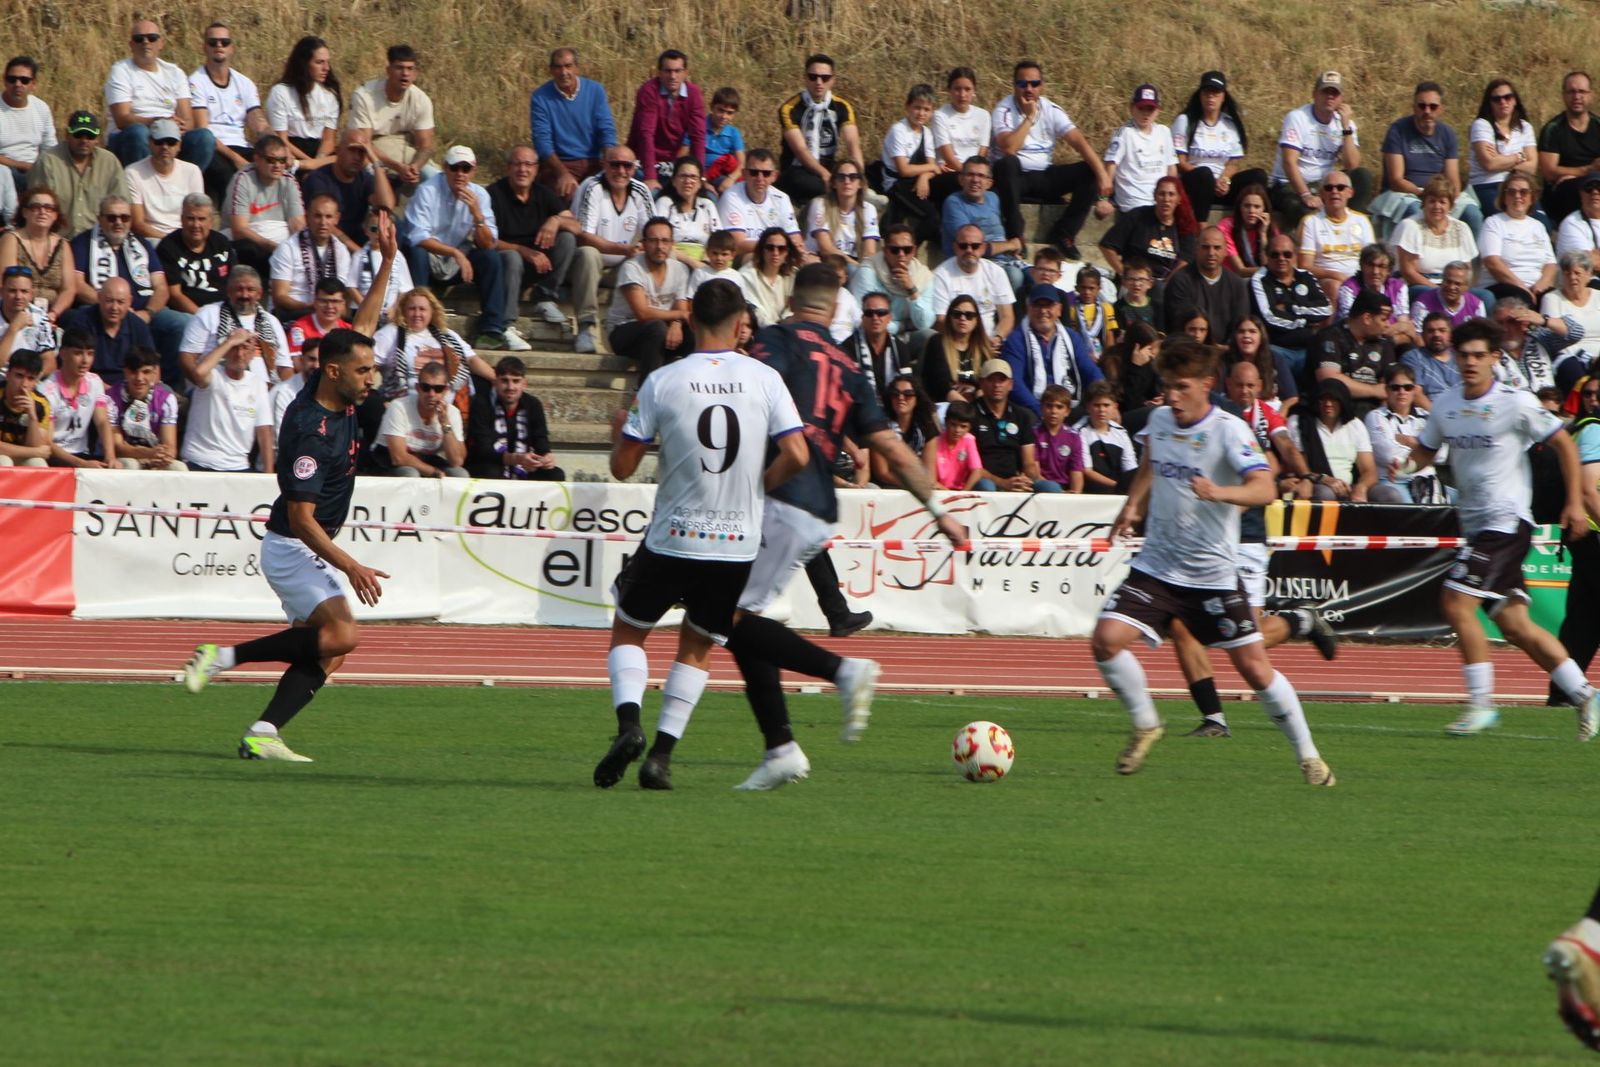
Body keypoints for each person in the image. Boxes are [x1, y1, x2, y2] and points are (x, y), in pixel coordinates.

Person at [724, 264, 963, 789]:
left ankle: (841, 673)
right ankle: (779, 747)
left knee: (726, 618)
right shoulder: (851, 367)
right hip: (816, 508)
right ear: (835, 309)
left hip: (778, 494)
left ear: (792, 297)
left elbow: (740, 399)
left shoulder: (776, 341)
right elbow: (891, 447)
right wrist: (938, 510)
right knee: (737, 622)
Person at [181, 221, 397, 761]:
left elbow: (361, 331)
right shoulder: (310, 434)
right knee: (343, 635)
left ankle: (263, 732)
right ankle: (224, 657)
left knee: (328, 651)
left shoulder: (336, 386)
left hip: (305, 543)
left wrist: (388, 262)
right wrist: (352, 565)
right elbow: (301, 520)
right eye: (363, 373)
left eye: (371, 370)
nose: (371, 379)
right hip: (293, 547)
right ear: (333, 373)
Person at [594, 278, 808, 790]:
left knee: (629, 630)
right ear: (740, 326)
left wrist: (617, 431)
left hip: (673, 536)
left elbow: (623, 468)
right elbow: (798, 454)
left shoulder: (664, 380)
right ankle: (661, 758)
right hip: (734, 544)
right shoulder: (764, 378)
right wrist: (760, 485)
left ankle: (629, 726)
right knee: (697, 646)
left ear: (689, 321)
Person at [1093, 339, 1334, 783]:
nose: (1172, 396)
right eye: (1166, 386)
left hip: (1213, 575)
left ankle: (1309, 756)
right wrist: (1132, 507)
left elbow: (1265, 487)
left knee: (1254, 668)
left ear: (1207, 385)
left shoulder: (1229, 430)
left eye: (1182, 387)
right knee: (1105, 639)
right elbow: (1150, 461)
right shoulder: (1161, 421)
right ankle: (1146, 724)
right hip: (1159, 566)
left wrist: (1219, 492)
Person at [1394, 316, 1600, 738]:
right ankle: (1584, 694)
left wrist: (1575, 502)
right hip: (1475, 526)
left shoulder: (1516, 402)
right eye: (1463, 355)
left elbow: (1562, 442)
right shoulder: (1447, 405)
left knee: (1455, 603)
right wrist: (1405, 464)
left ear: (1492, 358)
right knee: (1516, 626)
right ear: (1454, 357)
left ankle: (1481, 704)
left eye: (1478, 355)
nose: (1470, 362)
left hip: (1506, 524)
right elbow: (1427, 451)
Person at [1176, 356, 1331, 738]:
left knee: (1243, 640)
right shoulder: (1185, 421)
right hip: (1203, 542)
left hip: (1242, 539)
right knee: (1182, 628)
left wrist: (1233, 497)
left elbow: (1266, 477)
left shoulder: (1239, 425)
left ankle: (1300, 620)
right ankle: (1213, 718)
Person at [989, 60, 1110, 259]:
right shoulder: (1004, 110)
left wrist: (1102, 174)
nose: (1029, 89)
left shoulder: (1051, 109)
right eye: (1023, 84)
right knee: (1007, 163)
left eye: (1034, 84)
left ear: (1041, 86)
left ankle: (1064, 233)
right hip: (1014, 178)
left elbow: (1078, 141)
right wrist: (1029, 117)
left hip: (1043, 175)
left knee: (1089, 171)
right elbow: (1009, 147)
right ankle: (1016, 236)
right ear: (1014, 86)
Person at [402, 144, 510, 350]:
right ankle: (416, 320)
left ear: (473, 171)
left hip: (459, 257)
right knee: (416, 252)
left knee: (491, 258)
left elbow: (489, 243)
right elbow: (417, 237)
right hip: (431, 254)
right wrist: (455, 253)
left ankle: (492, 329)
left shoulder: (480, 195)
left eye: (465, 169)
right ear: (445, 168)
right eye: (455, 168)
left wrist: (477, 215)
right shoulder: (428, 191)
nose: (460, 174)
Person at [70, 195, 184, 374]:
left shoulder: (142, 244)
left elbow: (161, 287)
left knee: (182, 324)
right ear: (100, 219)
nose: (118, 222)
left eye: (124, 217)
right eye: (111, 217)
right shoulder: (83, 243)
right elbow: (76, 284)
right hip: (102, 310)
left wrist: (148, 313)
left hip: (144, 311)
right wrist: (113, 305)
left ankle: (168, 384)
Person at [569, 144, 655, 352]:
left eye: (627, 166)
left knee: (654, 252)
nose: (621, 171)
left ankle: (646, 325)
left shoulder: (640, 190)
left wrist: (641, 248)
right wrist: (624, 249)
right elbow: (584, 237)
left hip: (620, 268)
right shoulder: (592, 187)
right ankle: (586, 327)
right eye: (615, 165)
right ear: (604, 165)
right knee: (588, 254)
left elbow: (654, 231)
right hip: (589, 265)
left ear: (635, 168)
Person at [489, 143, 579, 335]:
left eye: (529, 164)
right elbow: (486, 240)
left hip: (541, 264)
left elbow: (576, 226)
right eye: (517, 164)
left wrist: (555, 220)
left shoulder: (543, 193)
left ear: (536, 169)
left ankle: (546, 297)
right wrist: (522, 250)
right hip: (507, 263)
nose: (523, 169)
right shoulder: (493, 194)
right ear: (508, 168)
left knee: (567, 239)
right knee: (511, 257)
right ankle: (508, 324)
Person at [104, 18, 215, 171]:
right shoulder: (121, 71)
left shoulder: (175, 73)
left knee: (204, 137)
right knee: (138, 133)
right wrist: (157, 121)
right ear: (131, 45)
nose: (145, 42)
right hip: (131, 134)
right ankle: (141, 186)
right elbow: (122, 119)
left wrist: (176, 127)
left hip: (169, 133)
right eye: (139, 39)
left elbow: (188, 120)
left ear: (161, 43)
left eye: (152, 38)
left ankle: (185, 187)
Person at [1371, 82, 1480, 236]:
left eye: (1433, 107)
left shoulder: (1447, 133)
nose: (1427, 111)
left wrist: (1447, 199)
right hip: (1405, 194)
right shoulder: (1398, 131)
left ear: (1441, 109)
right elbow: (1396, 180)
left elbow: (1453, 180)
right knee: (1416, 211)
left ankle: (1471, 260)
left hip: (1439, 192)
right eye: (1422, 106)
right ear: (1414, 107)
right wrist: (1423, 195)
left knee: (1473, 214)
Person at [1270, 70, 1369, 224]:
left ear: (1341, 98)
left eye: (1334, 93)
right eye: (1325, 92)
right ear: (1315, 94)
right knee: (1302, 210)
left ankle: (1352, 224)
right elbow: (1289, 162)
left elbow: (1352, 165)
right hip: (1289, 185)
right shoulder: (1297, 118)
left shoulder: (1345, 124)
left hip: (1324, 185)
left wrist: (1346, 128)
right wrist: (1305, 194)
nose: (1330, 96)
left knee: (1362, 176)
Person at [605, 216, 692, 385]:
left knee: (694, 333)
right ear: (643, 244)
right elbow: (642, 313)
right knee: (657, 328)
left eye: (665, 241)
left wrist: (676, 324)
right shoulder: (631, 268)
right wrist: (680, 315)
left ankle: (692, 391)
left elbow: (681, 307)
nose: (660, 246)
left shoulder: (680, 269)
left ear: (672, 244)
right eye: (653, 240)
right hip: (624, 332)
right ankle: (645, 394)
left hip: (660, 332)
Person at [1171, 71, 1269, 222]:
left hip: (1221, 185)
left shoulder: (1229, 124)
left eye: (1215, 93)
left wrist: (1225, 180)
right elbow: (1180, 162)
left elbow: (1233, 162)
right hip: (1196, 182)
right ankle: (1201, 225)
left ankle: (1251, 226)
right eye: (1207, 92)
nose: (1211, 97)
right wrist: (1211, 181)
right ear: (1200, 94)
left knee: (1258, 176)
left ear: (1223, 96)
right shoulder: (1185, 120)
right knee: (1204, 174)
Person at [372, 287, 493, 401]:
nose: (417, 314)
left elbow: (472, 360)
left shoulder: (448, 336)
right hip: (403, 404)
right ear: (403, 311)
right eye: (412, 309)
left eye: (422, 309)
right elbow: (369, 367)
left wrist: (496, 380)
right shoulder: (389, 334)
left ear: (432, 312)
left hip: (446, 407)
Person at [776, 54, 866, 207]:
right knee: (818, 185)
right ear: (805, 78)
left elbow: (853, 144)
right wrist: (825, 175)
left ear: (833, 80)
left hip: (829, 166)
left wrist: (859, 176)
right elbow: (801, 150)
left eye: (825, 78)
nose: (819, 82)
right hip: (798, 169)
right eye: (813, 77)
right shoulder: (789, 108)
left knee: (855, 174)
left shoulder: (842, 106)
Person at [177, 266, 291, 386]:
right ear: (228, 291)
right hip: (217, 389)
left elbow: (284, 367)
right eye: (239, 289)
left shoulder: (272, 321)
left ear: (259, 294)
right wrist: (200, 383)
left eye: (250, 289)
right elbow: (187, 357)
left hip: (265, 393)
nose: (244, 295)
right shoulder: (207, 314)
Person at [188, 23, 263, 202]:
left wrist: (276, 143)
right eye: (213, 42)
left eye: (224, 42)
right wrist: (236, 159)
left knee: (271, 166)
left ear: (232, 48)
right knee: (229, 177)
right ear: (204, 47)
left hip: (241, 145)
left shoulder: (245, 83)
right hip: (214, 148)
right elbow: (202, 130)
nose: (219, 46)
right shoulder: (195, 82)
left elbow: (258, 122)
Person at [1001, 281, 1100, 415]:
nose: (1043, 311)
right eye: (1037, 305)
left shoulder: (1072, 337)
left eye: (1048, 305)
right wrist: (1041, 410)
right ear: (1028, 309)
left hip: (1068, 407)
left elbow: (1090, 371)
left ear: (1059, 309)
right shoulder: (1016, 339)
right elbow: (1015, 383)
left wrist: (1102, 397)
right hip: (1033, 409)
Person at [530, 47, 616, 199]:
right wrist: (563, 173)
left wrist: (610, 157)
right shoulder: (540, 97)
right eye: (558, 67)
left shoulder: (595, 90)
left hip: (594, 160)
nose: (564, 72)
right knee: (567, 193)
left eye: (568, 66)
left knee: (612, 190)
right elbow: (542, 141)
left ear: (577, 68)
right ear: (551, 70)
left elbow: (606, 128)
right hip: (562, 162)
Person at [344, 44, 435, 189]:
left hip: (406, 148)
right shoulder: (364, 95)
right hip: (372, 149)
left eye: (410, 69)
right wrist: (397, 167)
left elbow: (426, 146)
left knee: (434, 177)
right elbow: (364, 144)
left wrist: (415, 167)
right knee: (371, 179)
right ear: (388, 70)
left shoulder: (421, 99)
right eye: (399, 68)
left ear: (416, 73)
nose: (405, 74)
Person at [29, 111, 127, 239]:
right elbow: (35, 209)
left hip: (99, 241)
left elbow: (122, 207)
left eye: (90, 136)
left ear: (98, 139)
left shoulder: (109, 162)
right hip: (57, 240)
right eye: (78, 134)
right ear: (67, 135)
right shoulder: (48, 161)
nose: (84, 140)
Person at [879, 83, 956, 245]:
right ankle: (911, 247)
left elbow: (931, 165)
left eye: (926, 109)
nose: (921, 113)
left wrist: (924, 177)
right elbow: (904, 169)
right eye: (917, 108)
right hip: (897, 184)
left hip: (916, 180)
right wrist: (931, 169)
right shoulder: (898, 130)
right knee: (931, 216)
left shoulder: (926, 133)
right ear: (907, 107)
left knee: (952, 181)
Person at [465, 355, 563, 480]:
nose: (510, 387)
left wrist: (546, 458)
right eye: (504, 381)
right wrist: (515, 459)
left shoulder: (533, 404)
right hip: (487, 464)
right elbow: (481, 449)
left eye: (516, 381)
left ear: (524, 384)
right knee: (491, 471)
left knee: (555, 474)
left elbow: (541, 441)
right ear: (495, 382)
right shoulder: (481, 403)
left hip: (523, 465)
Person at [223, 135, 305, 278]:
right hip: (250, 242)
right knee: (249, 249)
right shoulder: (243, 179)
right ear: (257, 159)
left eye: (282, 160)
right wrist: (272, 247)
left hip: (279, 242)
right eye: (271, 160)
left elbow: (297, 225)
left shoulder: (289, 181)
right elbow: (239, 230)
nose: (278, 165)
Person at [1252, 232, 1332, 374]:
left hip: (1309, 348)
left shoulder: (1306, 276)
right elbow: (1269, 316)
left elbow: (1326, 309)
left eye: (1287, 254)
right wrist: (1305, 323)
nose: (1281, 258)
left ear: (1295, 255)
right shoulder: (1260, 279)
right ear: (1267, 256)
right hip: (1278, 349)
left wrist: (1291, 308)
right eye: (1275, 254)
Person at [970, 358, 1056, 492]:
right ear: (981, 383)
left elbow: (1028, 463)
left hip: (1015, 479)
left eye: (1002, 380)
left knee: (1052, 488)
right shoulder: (971, 413)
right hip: (985, 480)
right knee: (986, 486)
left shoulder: (1022, 416)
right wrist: (1003, 483)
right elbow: (973, 466)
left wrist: (1025, 478)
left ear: (1011, 384)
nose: (997, 385)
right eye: (991, 379)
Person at [1314, 288, 1399, 417]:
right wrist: (1373, 390)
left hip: (1374, 414)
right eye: (1383, 319)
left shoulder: (1383, 342)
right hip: (1337, 411)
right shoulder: (1330, 337)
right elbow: (1329, 379)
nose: (1387, 325)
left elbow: (1387, 385)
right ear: (1367, 318)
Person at [627, 49, 704, 191]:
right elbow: (646, 134)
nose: (673, 76)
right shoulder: (649, 91)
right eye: (668, 71)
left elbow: (698, 136)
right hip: (644, 160)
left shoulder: (694, 94)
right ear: (659, 73)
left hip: (675, 162)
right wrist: (650, 176)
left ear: (685, 73)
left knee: (707, 198)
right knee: (654, 195)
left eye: (677, 71)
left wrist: (700, 177)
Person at [373, 360, 465, 477]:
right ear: (417, 388)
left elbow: (457, 461)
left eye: (438, 389)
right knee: (411, 474)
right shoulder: (399, 407)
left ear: (445, 391)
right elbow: (398, 457)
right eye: (426, 387)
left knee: (459, 474)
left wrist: (445, 424)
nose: (431, 394)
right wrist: (432, 472)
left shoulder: (452, 413)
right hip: (388, 459)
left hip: (427, 458)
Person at [269, 193, 355, 319]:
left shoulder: (341, 251)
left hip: (329, 315)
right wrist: (311, 307)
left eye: (328, 216)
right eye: (317, 216)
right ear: (307, 216)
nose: (323, 222)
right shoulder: (287, 248)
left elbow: (342, 294)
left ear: (337, 218)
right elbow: (280, 297)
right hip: (294, 314)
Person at [302, 137, 396, 251]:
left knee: (392, 224)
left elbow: (386, 207)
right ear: (338, 150)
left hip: (359, 238)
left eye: (362, 152)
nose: (357, 157)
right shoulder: (318, 179)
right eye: (352, 150)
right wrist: (359, 253)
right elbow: (327, 226)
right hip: (327, 240)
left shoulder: (364, 178)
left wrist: (376, 163)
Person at [1289, 378, 1376, 501]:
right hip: (1315, 483)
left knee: (1388, 494)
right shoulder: (1300, 422)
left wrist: (1361, 487)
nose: (1328, 404)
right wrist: (1324, 479)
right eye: (1323, 399)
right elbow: (1298, 467)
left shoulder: (1356, 425)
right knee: (1326, 494)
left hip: (1348, 487)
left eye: (1334, 399)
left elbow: (1369, 471)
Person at [1097, 173, 1195, 282]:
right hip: (1134, 282)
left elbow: (1185, 260)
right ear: (1154, 196)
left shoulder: (1183, 224)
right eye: (1161, 194)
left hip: (1163, 284)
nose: (1166, 199)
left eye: (1171, 194)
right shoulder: (1138, 216)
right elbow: (1106, 246)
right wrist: (1125, 275)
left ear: (1179, 199)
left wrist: (1167, 285)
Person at [1364, 363, 1439, 503]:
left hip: (1428, 481)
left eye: (1408, 387)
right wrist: (1424, 448)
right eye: (1395, 387)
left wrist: (1411, 442)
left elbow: (1442, 454)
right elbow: (1388, 454)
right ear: (1386, 390)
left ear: (1415, 390)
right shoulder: (1375, 417)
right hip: (1393, 482)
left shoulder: (1427, 417)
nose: (1402, 392)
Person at [1298, 169, 1375, 303]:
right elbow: (1305, 266)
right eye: (1329, 188)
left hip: (1360, 278)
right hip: (1326, 280)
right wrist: (1335, 275)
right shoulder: (1311, 222)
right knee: (1334, 286)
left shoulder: (1362, 220)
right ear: (1322, 194)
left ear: (1350, 192)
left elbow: (1372, 258)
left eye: (1340, 188)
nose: (1335, 192)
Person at [264, 36, 340, 172]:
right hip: (292, 151)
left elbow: (329, 140)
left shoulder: (330, 95)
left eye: (327, 62)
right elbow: (281, 139)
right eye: (319, 62)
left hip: (319, 152)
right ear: (304, 63)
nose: (326, 68)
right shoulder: (281, 92)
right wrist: (310, 164)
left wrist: (318, 160)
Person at [38, 333, 114, 468]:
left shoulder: (95, 381)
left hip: (82, 454)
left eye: (90, 354)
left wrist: (110, 456)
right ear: (63, 354)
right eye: (78, 353)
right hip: (55, 457)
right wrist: (82, 464)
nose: (85, 360)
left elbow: (102, 422)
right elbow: (47, 442)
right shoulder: (46, 390)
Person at [1163, 225, 1251, 341]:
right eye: (1205, 247)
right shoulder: (1180, 281)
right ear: (1196, 249)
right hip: (1190, 349)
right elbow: (1180, 326)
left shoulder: (1237, 284)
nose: (1211, 252)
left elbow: (1240, 325)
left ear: (1225, 251)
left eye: (1217, 247)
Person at [1480, 172, 1557, 304]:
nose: (1517, 196)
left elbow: (1551, 264)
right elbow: (1492, 262)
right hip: (1503, 285)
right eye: (1511, 192)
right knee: (1521, 298)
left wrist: (1541, 285)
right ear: (1504, 197)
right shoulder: (1493, 223)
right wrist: (1522, 287)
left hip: (1535, 287)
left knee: (1554, 299)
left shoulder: (1538, 226)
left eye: (1523, 192)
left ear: (1532, 198)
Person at [0, 185, 74, 322]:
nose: (42, 211)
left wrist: (53, 314)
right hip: (17, 310)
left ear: (55, 215)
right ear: (24, 212)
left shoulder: (63, 245)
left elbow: (68, 289)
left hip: (54, 313)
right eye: (35, 207)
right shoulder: (11, 239)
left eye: (48, 208)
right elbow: (6, 283)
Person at [1394, 175, 1480, 291]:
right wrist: (1439, 291)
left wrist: (1459, 292)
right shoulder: (1410, 226)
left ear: (1450, 206)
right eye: (1432, 201)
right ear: (1424, 203)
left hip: (1454, 288)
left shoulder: (1462, 228)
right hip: (1422, 285)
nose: (1437, 206)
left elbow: (1467, 270)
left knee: (1486, 297)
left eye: (1442, 202)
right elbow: (1408, 272)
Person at [849, 222, 934, 339]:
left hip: (905, 338)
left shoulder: (923, 276)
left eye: (907, 250)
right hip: (872, 337)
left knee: (929, 336)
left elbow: (924, 324)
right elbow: (863, 319)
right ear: (885, 250)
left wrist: (912, 290)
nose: (901, 255)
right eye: (895, 250)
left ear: (914, 251)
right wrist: (901, 326)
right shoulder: (869, 271)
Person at [715, 148, 803, 259]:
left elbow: (795, 237)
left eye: (766, 173)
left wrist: (794, 248)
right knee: (753, 258)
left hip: (778, 254)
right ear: (744, 174)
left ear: (774, 176)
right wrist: (776, 246)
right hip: (743, 257)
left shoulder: (782, 198)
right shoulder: (731, 196)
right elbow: (736, 244)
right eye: (754, 173)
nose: (760, 178)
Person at [105, 344, 182, 470]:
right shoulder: (111, 398)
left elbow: (170, 446)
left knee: (178, 468)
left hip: (154, 456)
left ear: (154, 373)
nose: (139, 378)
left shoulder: (166, 399)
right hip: (124, 458)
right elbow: (117, 447)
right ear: (125, 371)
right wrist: (148, 453)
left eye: (145, 372)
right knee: (131, 465)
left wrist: (165, 455)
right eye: (134, 372)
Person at [61, 278, 153, 384]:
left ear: (130, 302)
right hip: (90, 387)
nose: (114, 307)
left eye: (120, 302)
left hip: (130, 387)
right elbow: (71, 366)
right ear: (99, 298)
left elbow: (152, 366)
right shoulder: (81, 323)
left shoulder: (138, 326)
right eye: (109, 301)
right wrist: (109, 392)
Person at [932, 223, 1015, 341]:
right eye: (963, 246)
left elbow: (1007, 317)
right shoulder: (941, 275)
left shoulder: (996, 272)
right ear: (955, 247)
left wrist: (997, 338)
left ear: (983, 248)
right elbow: (941, 320)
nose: (969, 250)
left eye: (975, 246)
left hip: (990, 343)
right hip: (956, 342)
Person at [1103, 84, 1177, 214]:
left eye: (1150, 109)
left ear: (1158, 111)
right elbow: (1111, 165)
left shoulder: (1164, 132)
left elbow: (1171, 169)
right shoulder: (1123, 133)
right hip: (1134, 202)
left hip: (1160, 201)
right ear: (1132, 108)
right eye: (1141, 108)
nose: (1146, 114)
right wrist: (1104, 198)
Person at [1469, 78, 1537, 216]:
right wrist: (1519, 157)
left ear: (1515, 100)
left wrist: (1501, 159)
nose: (1503, 102)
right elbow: (1489, 164)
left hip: (1520, 186)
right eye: (1497, 99)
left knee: (1542, 222)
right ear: (1490, 103)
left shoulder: (1525, 127)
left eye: (1508, 97)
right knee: (1505, 217)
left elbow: (1532, 167)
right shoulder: (1481, 125)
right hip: (1488, 185)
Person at [156, 193, 231, 317]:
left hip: (224, 313)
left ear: (211, 221)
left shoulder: (221, 243)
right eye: (190, 218)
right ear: (182, 220)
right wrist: (202, 318)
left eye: (201, 219)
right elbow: (175, 295)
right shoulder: (168, 247)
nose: (196, 225)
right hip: (189, 314)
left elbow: (233, 284)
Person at [1539, 71, 1600, 224]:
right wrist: (1586, 170)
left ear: (1591, 95)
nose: (1577, 96)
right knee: (1577, 189)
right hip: (1564, 191)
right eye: (1571, 91)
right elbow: (1549, 172)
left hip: (1596, 183)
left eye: (1582, 91)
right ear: (1564, 95)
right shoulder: (1553, 129)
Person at [1336, 243, 1417, 349]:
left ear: (1389, 270)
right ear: (1362, 266)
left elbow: (1406, 328)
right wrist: (1395, 330)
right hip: (1358, 343)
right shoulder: (1349, 288)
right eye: (1370, 265)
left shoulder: (1398, 287)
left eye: (1381, 266)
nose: (1375, 272)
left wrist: (1393, 335)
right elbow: (1354, 325)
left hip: (1390, 343)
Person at [0, 56, 56, 197]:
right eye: (12, 79)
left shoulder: (41, 108)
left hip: (35, 169)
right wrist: (19, 165)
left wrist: (39, 167)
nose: (18, 84)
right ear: (4, 80)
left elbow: (50, 148)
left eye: (24, 80)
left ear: (33, 84)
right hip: (5, 169)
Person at [806, 160, 879, 267]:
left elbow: (870, 252)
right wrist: (855, 266)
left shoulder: (868, 209)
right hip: (825, 259)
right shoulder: (820, 204)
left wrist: (863, 269)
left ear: (860, 183)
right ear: (834, 183)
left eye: (853, 177)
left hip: (855, 261)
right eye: (841, 177)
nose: (847, 181)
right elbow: (825, 248)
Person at [343, 205, 412, 315]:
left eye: (385, 229)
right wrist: (364, 306)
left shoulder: (398, 256)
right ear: (366, 230)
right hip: (363, 312)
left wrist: (394, 309)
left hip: (389, 313)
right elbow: (351, 286)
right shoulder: (359, 256)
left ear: (391, 231)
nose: (379, 234)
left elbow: (405, 289)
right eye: (374, 229)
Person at [1225, 314, 1298, 415]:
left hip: (1271, 413)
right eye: (1241, 331)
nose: (1246, 335)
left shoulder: (1274, 359)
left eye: (1252, 331)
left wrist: (1281, 413)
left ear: (1261, 337)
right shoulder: (1225, 360)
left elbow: (1292, 397)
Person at [847, 290, 916, 397]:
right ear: (863, 318)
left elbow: (907, 385)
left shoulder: (899, 348)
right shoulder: (848, 347)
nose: (875, 318)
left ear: (889, 317)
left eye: (881, 313)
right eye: (869, 313)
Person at [1545, 250, 1600, 384]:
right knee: (1572, 369)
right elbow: (1553, 338)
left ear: (1588, 275)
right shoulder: (1551, 299)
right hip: (1570, 358)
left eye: (1577, 273)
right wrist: (1587, 358)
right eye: (1567, 273)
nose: (1572, 277)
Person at [653, 157, 720, 266]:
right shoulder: (664, 203)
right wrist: (693, 263)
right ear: (674, 181)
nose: (688, 181)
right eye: (683, 176)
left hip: (705, 261)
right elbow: (660, 241)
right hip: (673, 260)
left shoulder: (708, 205)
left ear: (700, 183)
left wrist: (705, 261)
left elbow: (718, 239)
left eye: (693, 177)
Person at [920, 293, 987, 403]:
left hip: (975, 407)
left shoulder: (982, 347)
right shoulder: (937, 342)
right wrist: (968, 410)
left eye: (969, 315)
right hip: (945, 405)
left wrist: (980, 407)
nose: (962, 318)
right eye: (957, 314)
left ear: (976, 321)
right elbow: (942, 386)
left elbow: (984, 386)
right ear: (950, 318)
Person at [874, 372, 937, 487]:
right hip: (886, 486)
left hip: (918, 485)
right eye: (895, 394)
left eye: (908, 394)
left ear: (917, 398)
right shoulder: (880, 425)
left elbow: (930, 476)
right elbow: (882, 473)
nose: (901, 398)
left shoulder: (927, 427)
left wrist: (921, 485)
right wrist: (914, 485)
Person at [1076, 379, 1138, 493]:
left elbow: (1130, 467)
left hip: (1119, 488)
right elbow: (1087, 471)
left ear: (1115, 407)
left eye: (1106, 405)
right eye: (1097, 405)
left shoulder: (1121, 432)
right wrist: (1118, 486)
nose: (1102, 410)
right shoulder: (1079, 432)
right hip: (1093, 490)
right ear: (1088, 406)